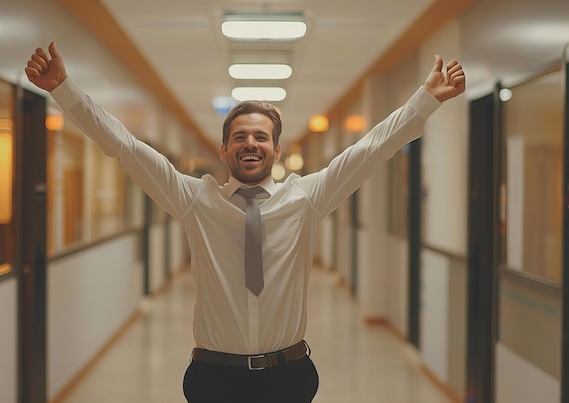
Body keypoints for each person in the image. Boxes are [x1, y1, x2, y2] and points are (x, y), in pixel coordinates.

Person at [25, 42, 465, 403]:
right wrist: (63, 89)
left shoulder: (307, 197)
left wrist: (424, 101)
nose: (249, 143)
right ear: (223, 150)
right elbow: (123, 146)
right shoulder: (194, 199)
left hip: (289, 377)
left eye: (261, 137)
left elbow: (373, 149)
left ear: (275, 150)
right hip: (214, 379)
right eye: (239, 136)